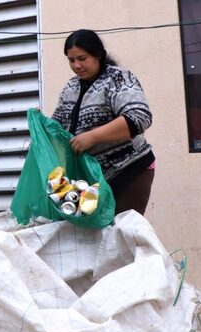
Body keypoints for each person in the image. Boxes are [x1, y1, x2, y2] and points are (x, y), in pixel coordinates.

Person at [52, 29, 155, 215]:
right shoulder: (71, 87)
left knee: (123, 232)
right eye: (71, 60)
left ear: (98, 54)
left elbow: (139, 117)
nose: (76, 65)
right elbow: (57, 126)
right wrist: (40, 125)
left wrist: (93, 136)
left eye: (82, 58)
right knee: (95, 236)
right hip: (91, 178)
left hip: (129, 170)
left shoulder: (118, 78)